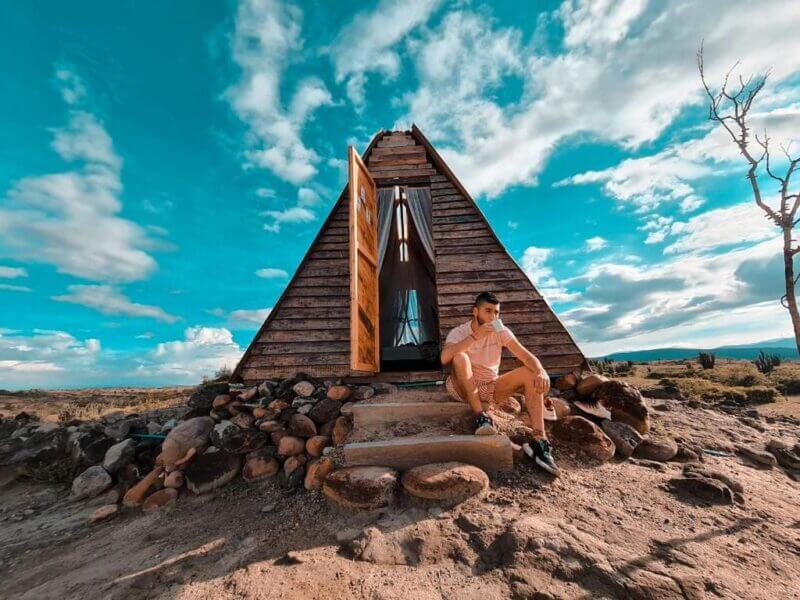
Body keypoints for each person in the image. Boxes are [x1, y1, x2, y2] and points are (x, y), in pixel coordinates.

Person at [440, 291, 559, 475]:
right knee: (460, 358)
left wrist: (540, 370)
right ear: (475, 311)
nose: (493, 317)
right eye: (488, 311)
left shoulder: (500, 330)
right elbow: (445, 357)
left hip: (490, 388)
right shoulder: (460, 332)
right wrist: (476, 336)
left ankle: (539, 441)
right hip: (461, 388)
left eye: (496, 312)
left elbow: (525, 355)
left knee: (530, 372)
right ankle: (481, 417)